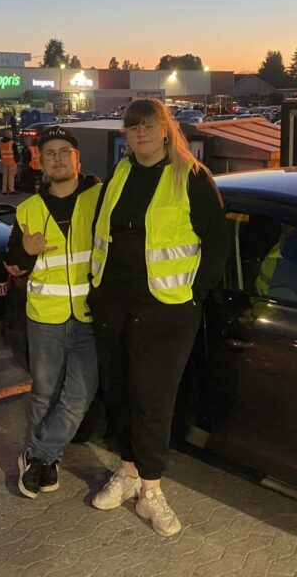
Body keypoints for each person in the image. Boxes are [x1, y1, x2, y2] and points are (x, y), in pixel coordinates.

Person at [87, 98, 229, 536]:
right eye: (133, 127)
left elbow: (217, 243)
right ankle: (127, 474)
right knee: (120, 392)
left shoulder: (192, 177)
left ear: (166, 129)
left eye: (149, 125)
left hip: (166, 308)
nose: (141, 133)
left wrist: (193, 296)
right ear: (125, 135)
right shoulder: (121, 174)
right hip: (113, 302)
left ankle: (151, 491)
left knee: (153, 399)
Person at [3, 126, 102, 499]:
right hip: (45, 315)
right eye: (50, 154)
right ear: (39, 162)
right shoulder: (28, 209)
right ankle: (48, 461)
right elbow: (13, 264)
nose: (57, 158)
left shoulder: (101, 198)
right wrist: (25, 250)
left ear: (77, 158)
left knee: (80, 394)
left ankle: (38, 454)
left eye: (64, 151)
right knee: (45, 393)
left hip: (90, 315)